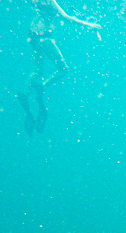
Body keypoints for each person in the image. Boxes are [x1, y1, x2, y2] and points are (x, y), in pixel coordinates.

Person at [18, 0, 101, 135]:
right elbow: (66, 18)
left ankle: (24, 93)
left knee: (37, 70)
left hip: (33, 38)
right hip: (44, 38)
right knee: (63, 69)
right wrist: (88, 24)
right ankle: (42, 87)